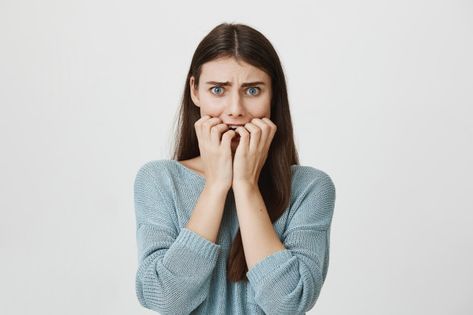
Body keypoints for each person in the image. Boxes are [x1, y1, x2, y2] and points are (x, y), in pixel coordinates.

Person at [133, 22, 336, 315]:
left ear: (273, 95)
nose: (235, 109)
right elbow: (166, 299)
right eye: (218, 90)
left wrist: (246, 185)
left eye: (253, 90)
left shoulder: (310, 188)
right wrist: (216, 186)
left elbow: (288, 303)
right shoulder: (159, 180)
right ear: (195, 91)